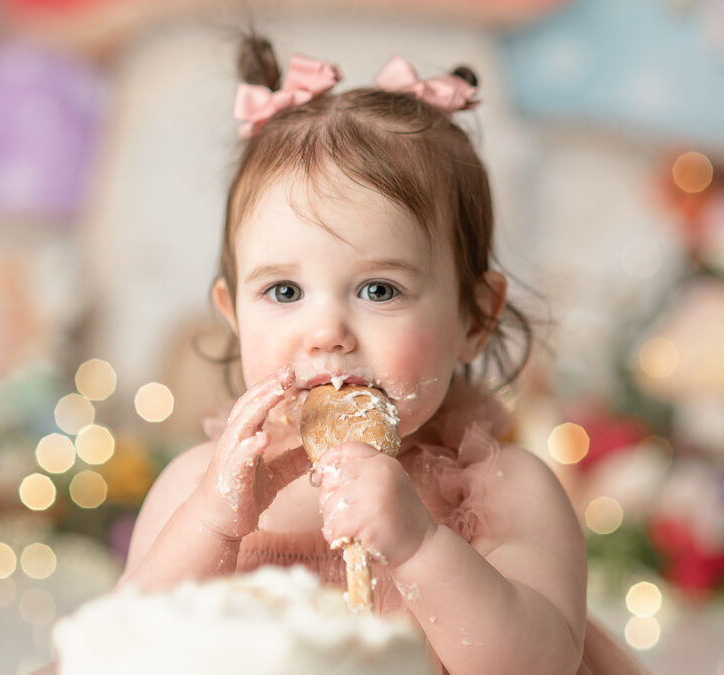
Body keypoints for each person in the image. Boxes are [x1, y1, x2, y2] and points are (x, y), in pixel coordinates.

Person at [119, 33, 647, 675]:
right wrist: (213, 526)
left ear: (475, 318)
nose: (326, 332)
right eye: (284, 291)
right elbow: (121, 647)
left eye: (379, 290)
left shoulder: (508, 492)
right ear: (233, 315)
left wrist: (420, 545)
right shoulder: (197, 488)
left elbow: (535, 665)